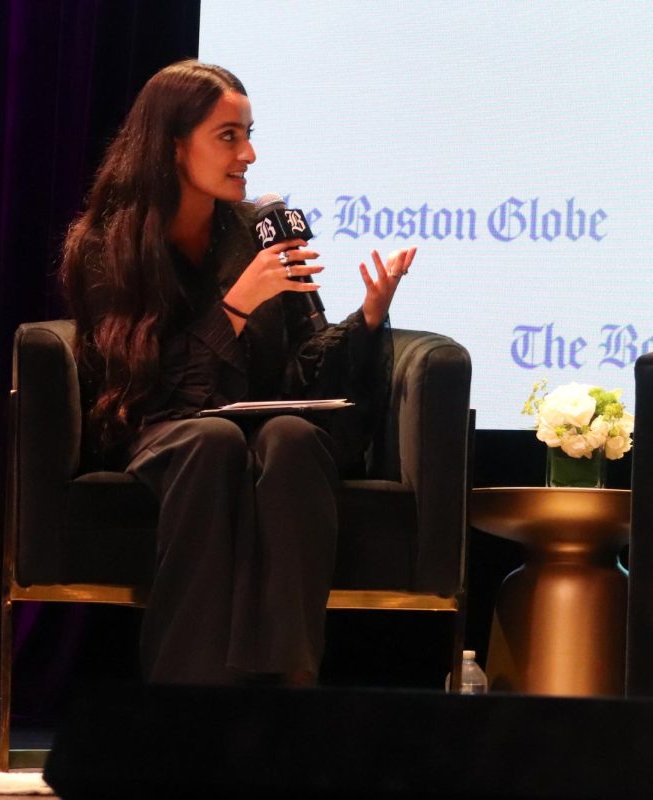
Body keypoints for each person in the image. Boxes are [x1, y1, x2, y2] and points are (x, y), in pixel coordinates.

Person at [61, 60, 417, 685]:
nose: (248, 154)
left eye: (249, 134)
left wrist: (366, 317)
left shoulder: (259, 232)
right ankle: (185, 698)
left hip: (258, 420)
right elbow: (137, 386)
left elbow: (308, 367)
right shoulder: (107, 244)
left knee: (294, 437)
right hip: (159, 428)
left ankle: (281, 694)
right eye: (228, 136)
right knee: (211, 439)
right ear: (173, 145)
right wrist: (234, 306)